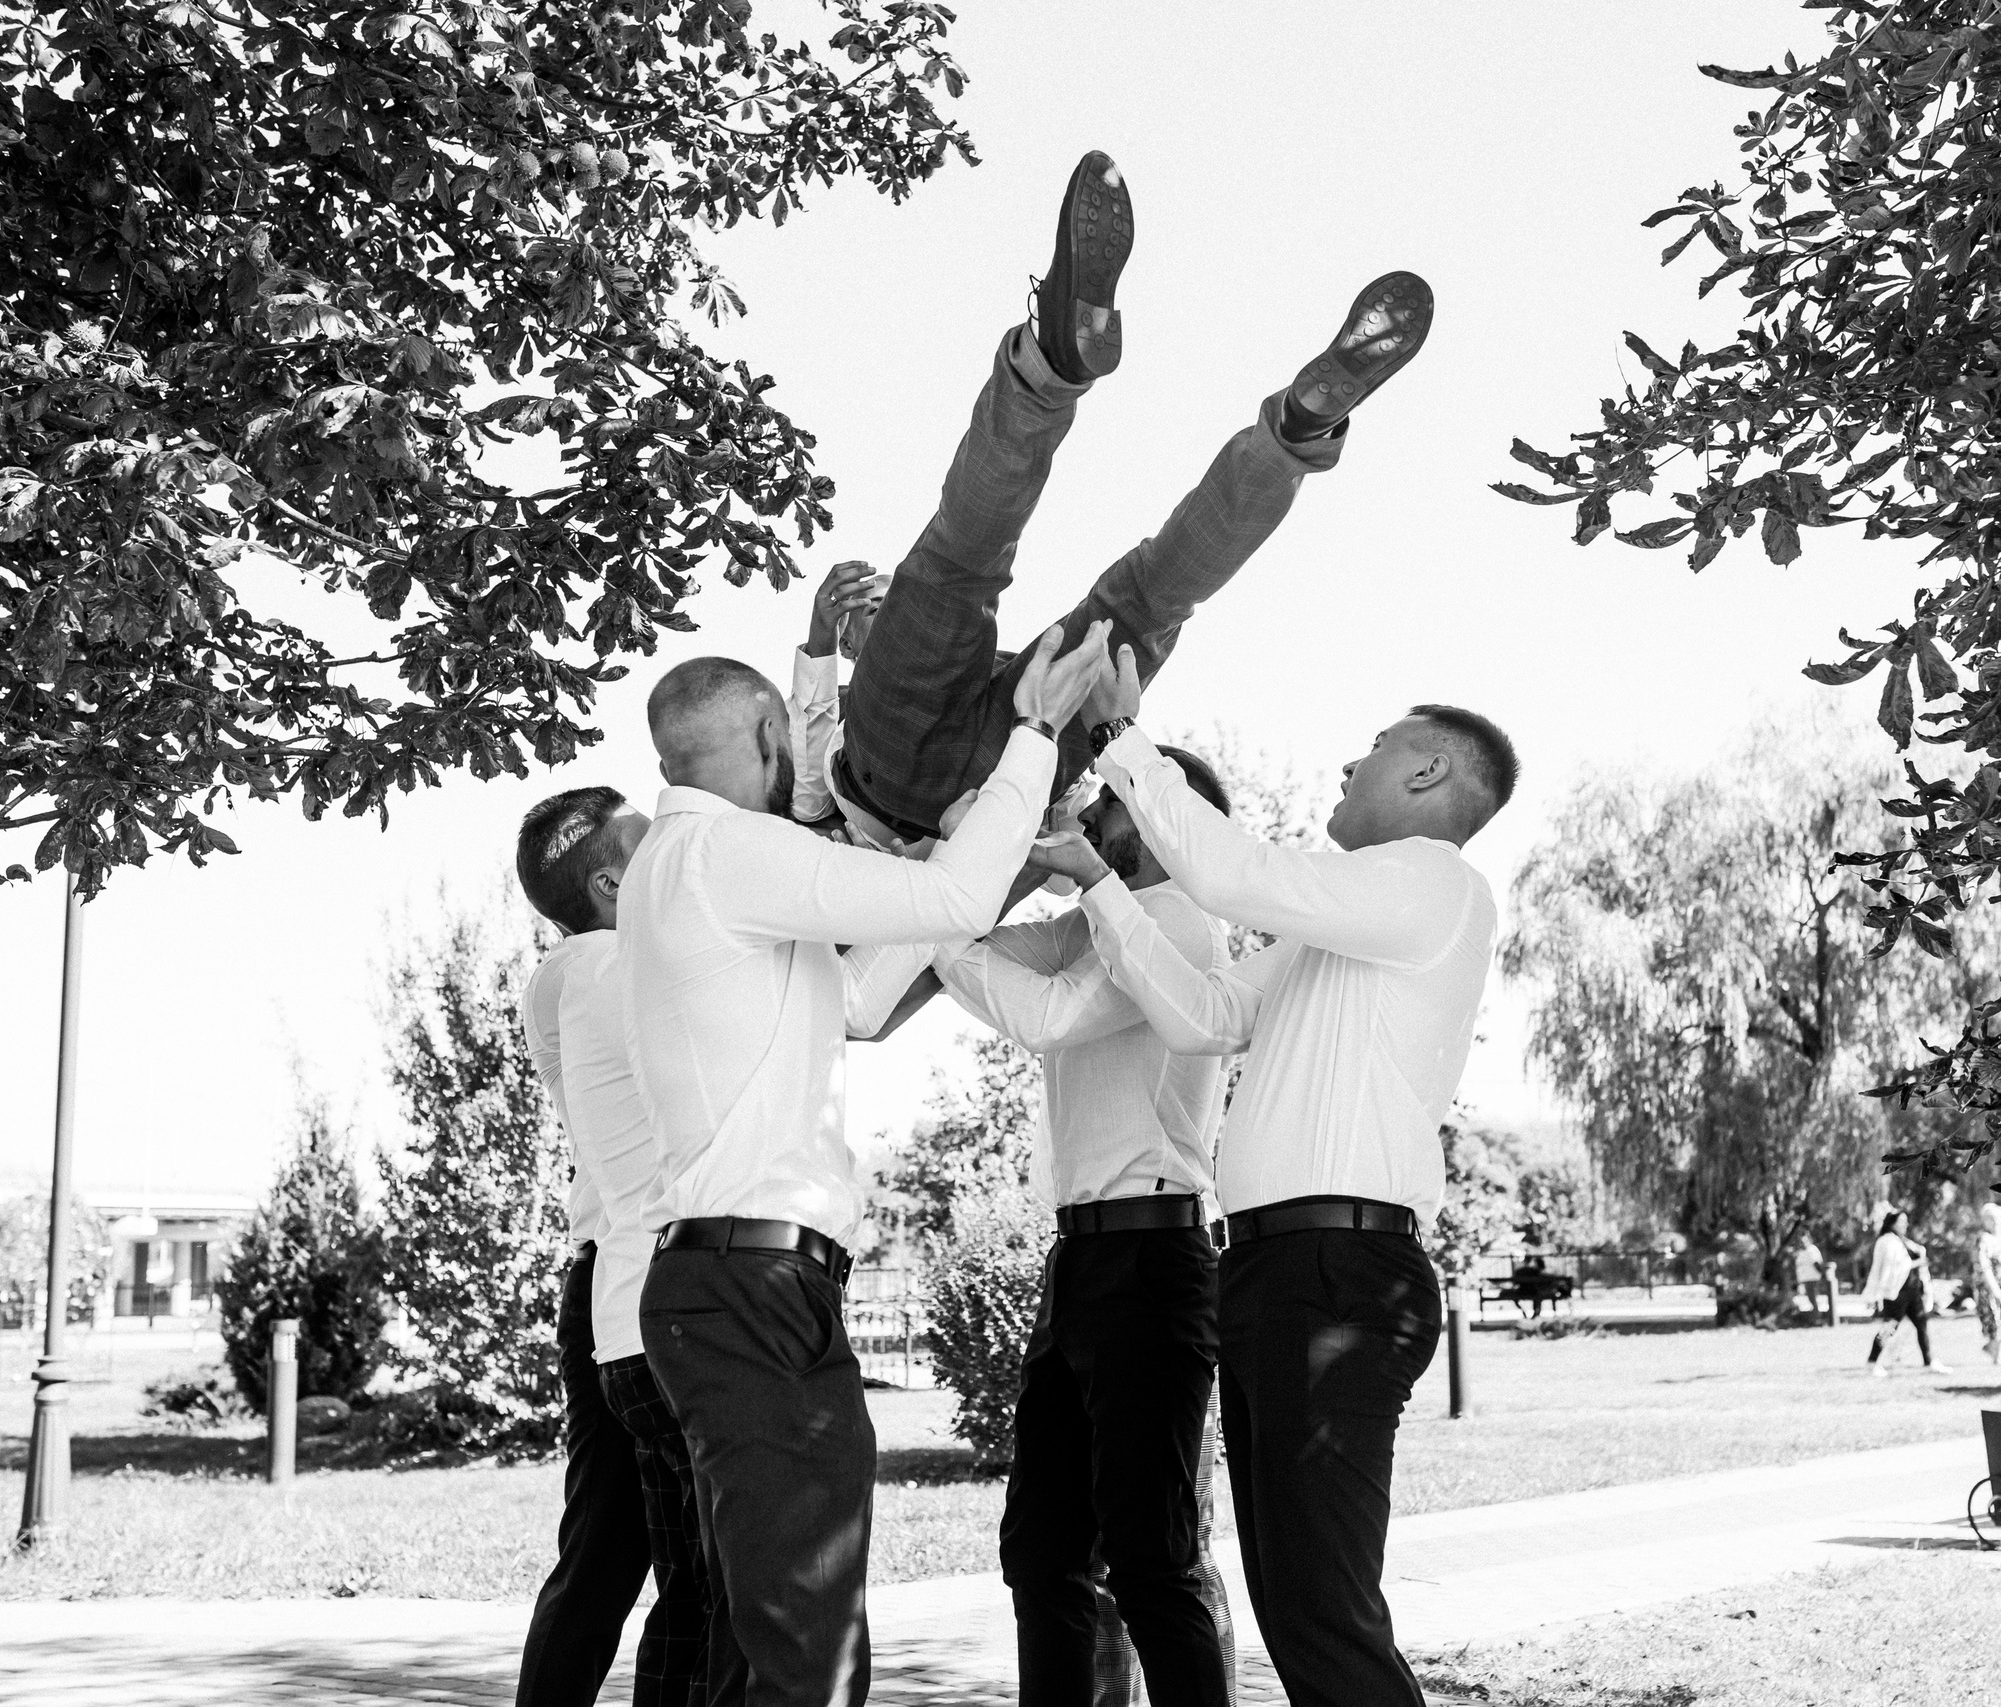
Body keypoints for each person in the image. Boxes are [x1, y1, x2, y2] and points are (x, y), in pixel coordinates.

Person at [620, 621, 1111, 1707]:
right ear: (762, 731)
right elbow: (942, 907)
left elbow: (854, 999)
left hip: (736, 1283)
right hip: (749, 1289)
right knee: (806, 1642)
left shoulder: (686, 867)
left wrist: (993, 860)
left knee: (766, 1636)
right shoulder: (730, 853)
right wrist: (1029, 741)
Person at [1029, 648, 1515, 1707]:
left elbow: (1234, 873)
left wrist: (1123, 739)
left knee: (1324, 1617)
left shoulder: (1433, 883)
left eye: (1376, 751)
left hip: (1338, 1272)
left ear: (1429, 777)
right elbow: (1202, 1017)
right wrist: (1104, 885)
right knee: (1300, 1611)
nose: (1347, 765)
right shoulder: (1326, 941)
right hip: (1273, 1275)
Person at [797, 148, 1434, 850]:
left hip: (991, 787)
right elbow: (805, 777)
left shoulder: (894, 694)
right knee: (966, 557)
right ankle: (1068, 372)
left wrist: (836, 641)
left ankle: (1291, 436)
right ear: (865, 652)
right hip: (960, 776)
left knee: (1148, 600)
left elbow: (1049, 841)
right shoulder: (844, 726)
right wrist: (828, 642)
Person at [921, 749, 1240, 1707]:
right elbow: (980, 955)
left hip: (1153, 1255)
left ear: (1151, 819)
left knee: (1150, 1556)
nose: (1087, 815)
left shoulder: (1178, 921)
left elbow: (1043, 1016)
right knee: (1043, 1550)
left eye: (1103, 804)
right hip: (1084, 1259)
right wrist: (965, 880)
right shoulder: (1089, 926)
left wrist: (935, 916)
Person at [512, 787, 706, 1707]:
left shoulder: (577, 968)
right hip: (634, 1278)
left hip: (612, 1276)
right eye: (646, 836)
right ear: (607, 881)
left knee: (613, 1551)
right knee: (650, 1562)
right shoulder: (595, 965)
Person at [1861, 1211, 1949, 1376]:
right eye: (1902, 1221)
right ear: (1892, 1222)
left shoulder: (1903, 1241)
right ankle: (1872, 1362)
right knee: (1890, 1326)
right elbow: (1891, 1267)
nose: (1905, 1225)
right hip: (1896, 1292)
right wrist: (1916, 1263)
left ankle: (1929, 1361)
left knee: (1922, 1323)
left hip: (1912, 1291)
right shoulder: (1887, 1241)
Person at [1972, 1204, 2001, 1366]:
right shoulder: (1983, 1239)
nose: (1997, 1222)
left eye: (1999, 1219)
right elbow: (1983, 1266)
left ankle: (1994, 1352)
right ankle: (1997, 1357)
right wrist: (1995, 1289)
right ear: (1986, 1221)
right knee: (1995, 1318)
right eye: (1992, 1219)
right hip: (1992, 1287)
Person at [1793, 1232, 1835, 1323]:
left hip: (1812, 1278)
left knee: (1813, 1298)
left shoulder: (1811, 1250)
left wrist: (1823, 1274)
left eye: (1804, 1240)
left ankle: (1817, 1317)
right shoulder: (1801, 1251)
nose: (1802, 1243)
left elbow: (1817, 1264)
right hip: (1805, 1278)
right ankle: (1816, 1316)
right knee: (1811, 1298)